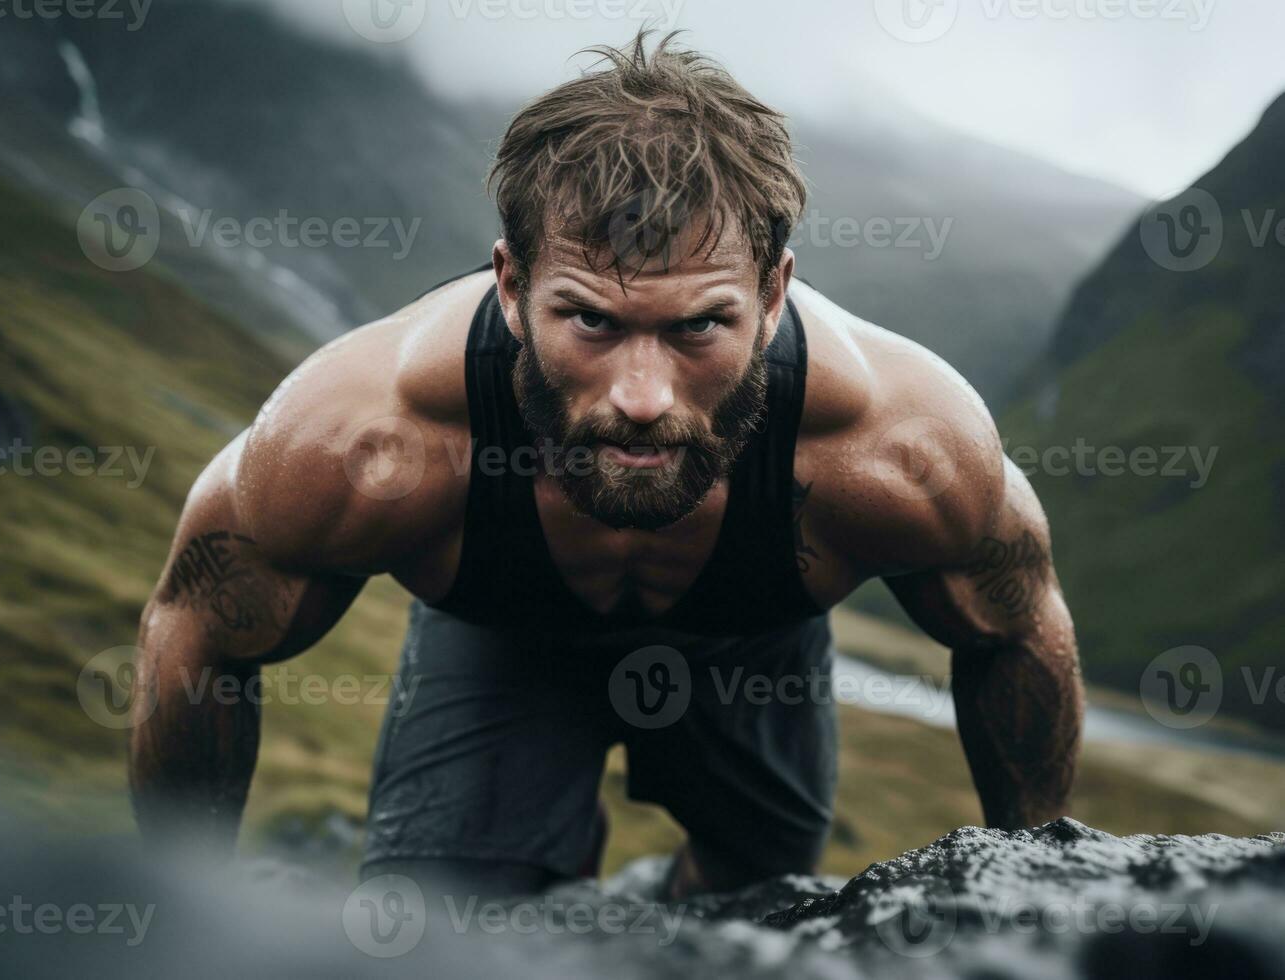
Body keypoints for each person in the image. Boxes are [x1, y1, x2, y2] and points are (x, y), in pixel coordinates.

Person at [129, 29, 1083, 899]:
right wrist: (185, 909)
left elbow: (1015, 627)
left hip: (757, 644)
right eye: (590, 319)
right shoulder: (365, 437)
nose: (642, 396)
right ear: (509, 286)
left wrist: (1028, 896)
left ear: (776, 292)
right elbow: (197, 628)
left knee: (753, 908)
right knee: (439, 932)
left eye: (700, 325)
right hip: (501, 641)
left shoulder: (898, 447)